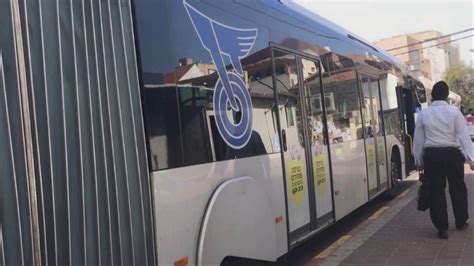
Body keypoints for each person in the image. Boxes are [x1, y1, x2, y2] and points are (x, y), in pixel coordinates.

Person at [413, 81, 474, 239]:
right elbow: (463, 137)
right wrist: (471, 159)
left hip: (432, 156)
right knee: (458, 188)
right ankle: (461, 221)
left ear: (432, 95)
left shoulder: (423, 114)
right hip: (453, 154)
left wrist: (418, 160)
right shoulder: (454, 112)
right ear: (447, 96)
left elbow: (418, 140)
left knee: (436, 191)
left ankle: (442, 227)